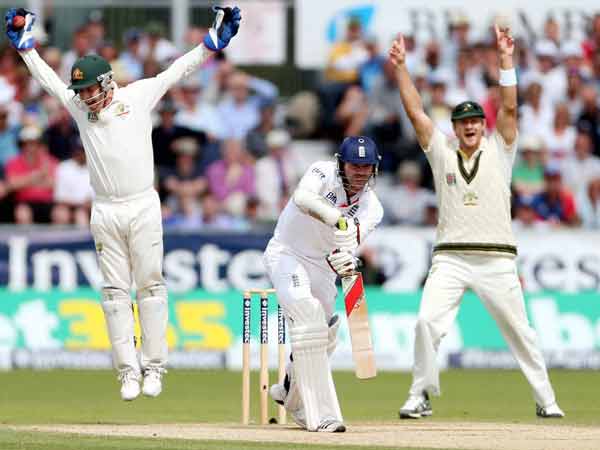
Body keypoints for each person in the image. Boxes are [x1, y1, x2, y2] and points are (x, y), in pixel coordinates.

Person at [4, 6, 241, 400]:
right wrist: (26, 50)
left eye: (90, 90)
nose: (85, 98)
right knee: (114, 293)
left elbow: (175, 72)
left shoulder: (137, 96)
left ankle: (155, 367)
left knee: (150, 285)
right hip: (105, 209)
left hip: (143, 204)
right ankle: (128, 372)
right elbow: (48, 81)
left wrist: (211, 44)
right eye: (80, 92)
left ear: (107, 83)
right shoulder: (80, 108)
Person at [389, 25, 564, 418]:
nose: (469, 126)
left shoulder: (501, 150)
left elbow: (510, 108)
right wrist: (400, 68)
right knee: (426, 323)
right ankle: (419, 395)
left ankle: (547, 400)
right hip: (450, 258)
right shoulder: (441, 152)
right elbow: (416, 112)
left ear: (484, 126)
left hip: (496, 259)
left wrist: (505, 59)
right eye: (462, 122)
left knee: (521, 332)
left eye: (475, 121)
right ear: (454, 128)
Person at [263, 136, 384, 432]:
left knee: (326, 331)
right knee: (308, 316)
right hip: (287, 253)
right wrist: (337, 219)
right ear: (341, 164)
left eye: (366, 166)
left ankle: (291, 393)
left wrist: (346, 259)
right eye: (354, 165)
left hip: (321, 265)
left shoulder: (373, 208)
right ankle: (323, 414)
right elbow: (303, 199)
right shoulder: (321, 171)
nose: (360, 172)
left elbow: (349, 242)